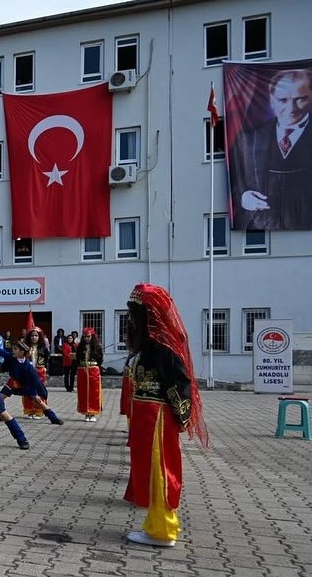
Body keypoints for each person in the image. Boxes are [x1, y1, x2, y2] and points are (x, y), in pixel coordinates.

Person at [123, 283, 210, 548]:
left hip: (156, 415)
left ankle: (162, 531)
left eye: (134, 313)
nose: (130, 319)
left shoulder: (162, 347)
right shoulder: (149, 345)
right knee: (149, 470)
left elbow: (180, 381)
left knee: (159, 470)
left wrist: (180, 416)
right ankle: (155, 524)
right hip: (145, 414)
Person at [231, 68, 312, 230]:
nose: (291, 109)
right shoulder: (250, 139)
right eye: (283, 100)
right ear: (271, 99)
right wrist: (244, 196)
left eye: (300, 99)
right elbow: (233, 176)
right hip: (261, 229)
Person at [0, 340, 65, 426]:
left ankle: (53, 418)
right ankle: (1, 415)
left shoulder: (29, 367)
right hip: (13, 382)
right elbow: (2, 352)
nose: (13, 351)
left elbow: (36, 382)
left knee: (38, 401)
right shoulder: (12, 357)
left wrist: (42, 393)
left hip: (26, 385)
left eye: (15, 349)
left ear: (22, 352)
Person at [75, 328, 104, 422]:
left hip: (93, 371)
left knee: (94, 392)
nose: (87, 338)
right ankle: (86, 413)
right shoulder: (80, 347)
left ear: (92, 337)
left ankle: (93, 413)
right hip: (83, 371)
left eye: (88, 336)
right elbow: (78, 359)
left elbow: (100, 360)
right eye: (85, 337)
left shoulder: (97, 347)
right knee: (83, 392)